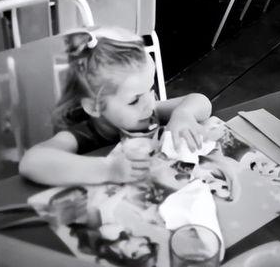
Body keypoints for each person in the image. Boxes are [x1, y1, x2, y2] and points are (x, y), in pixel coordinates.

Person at [19, 26, 212, 186]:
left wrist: (183, 114)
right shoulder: (84, 134)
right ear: (95, 107)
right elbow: (31, 162)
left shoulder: (148, 113)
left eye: (150, 89)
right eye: (134, 100)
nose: (149, 102)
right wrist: (108, 169)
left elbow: (202, 102)